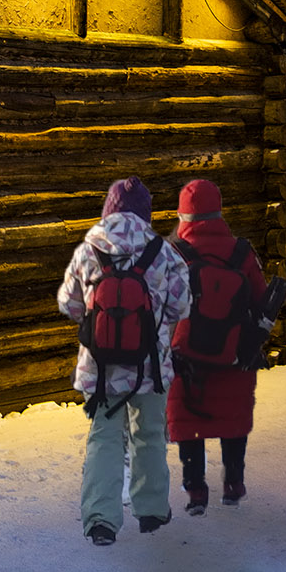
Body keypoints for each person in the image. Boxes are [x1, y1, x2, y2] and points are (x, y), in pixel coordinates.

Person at [57, 175, 190, 545]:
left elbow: (68, 303)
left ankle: (101, 520)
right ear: (145, 214)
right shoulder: (162, 252)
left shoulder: (90, 248)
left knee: (105, 438)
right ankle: (150, 512)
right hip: (151, 368)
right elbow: (181, 305)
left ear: (108, 210)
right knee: (148, 436)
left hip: (101, 369)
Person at [165, 178, 268, 513]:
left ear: (183, 215)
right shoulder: (241, 252)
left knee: (189, 422)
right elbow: (259, 298)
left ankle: (195, 490)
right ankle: (233, 483)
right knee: (232, 419)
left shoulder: (174, 254)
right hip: (234, 355)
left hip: (187, 357)